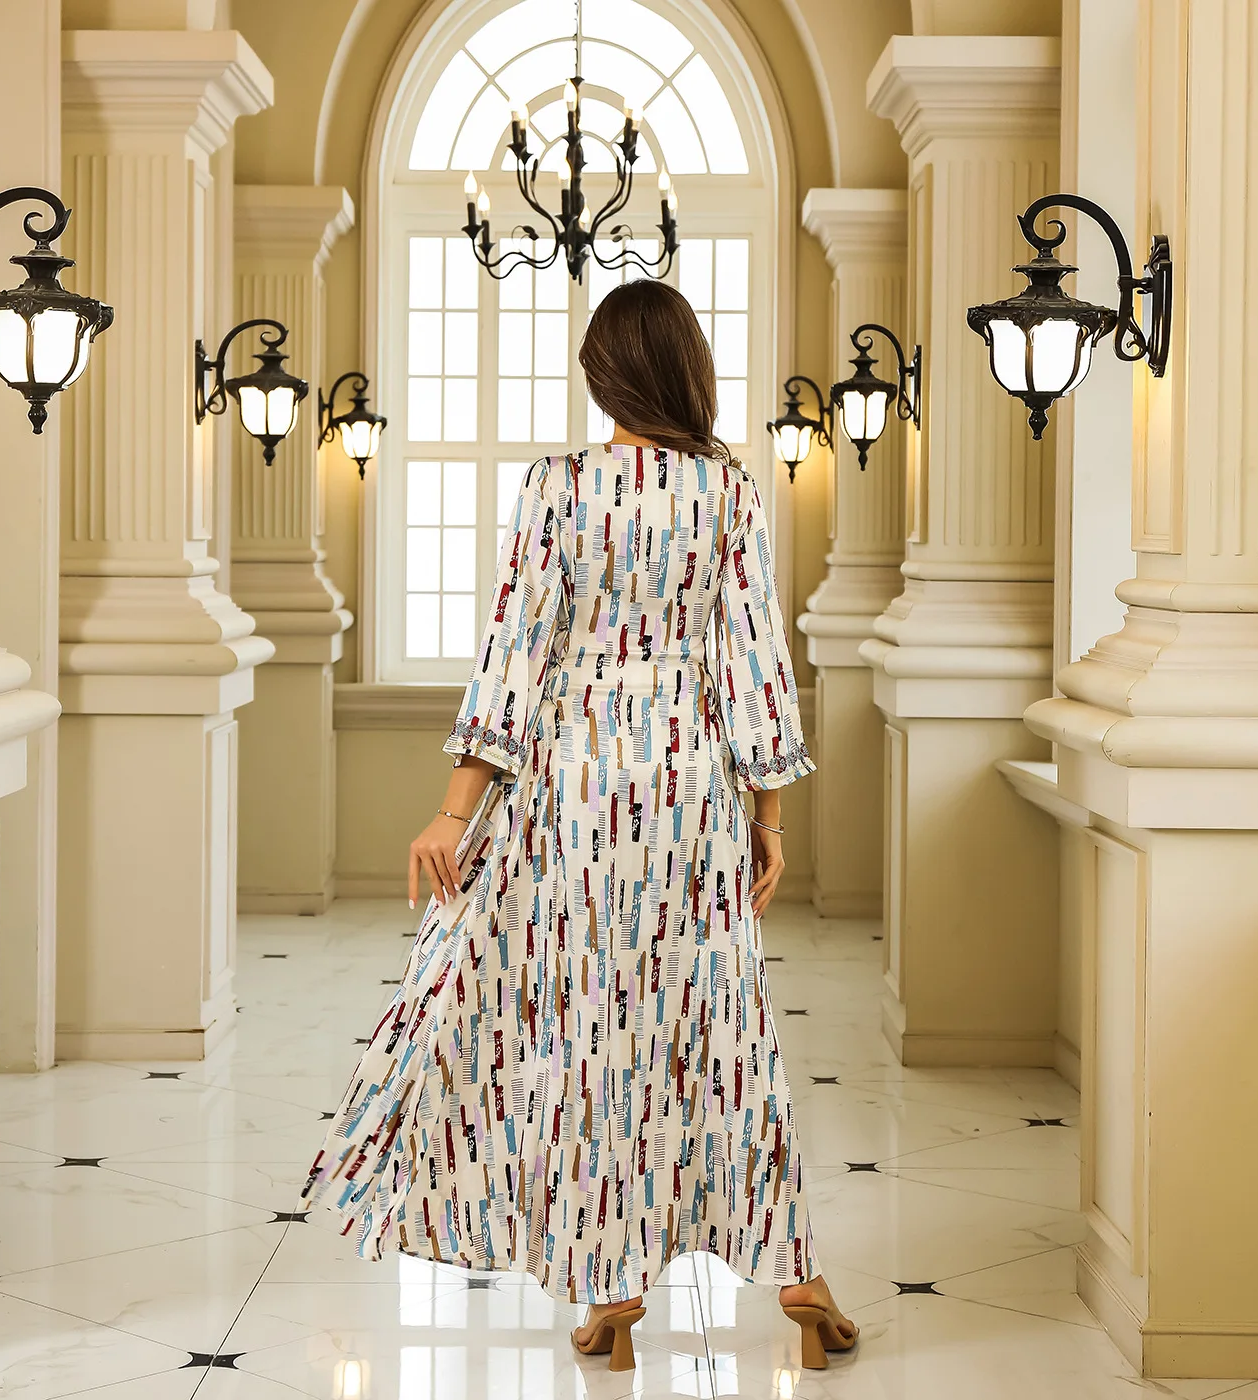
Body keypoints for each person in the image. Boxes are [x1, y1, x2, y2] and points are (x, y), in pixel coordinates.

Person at [302, 277, 858, 1372]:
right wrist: (769, 817)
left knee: (586, 1024)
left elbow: (516, 651)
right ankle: (786, 1263)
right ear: (685, 370)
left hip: (574, 787)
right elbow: (754, 661)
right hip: (692, 786)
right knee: (716, 1022)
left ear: (600, 373)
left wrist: (455, 808)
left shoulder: (557, 488)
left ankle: (610, 1279)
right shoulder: (727, 490)